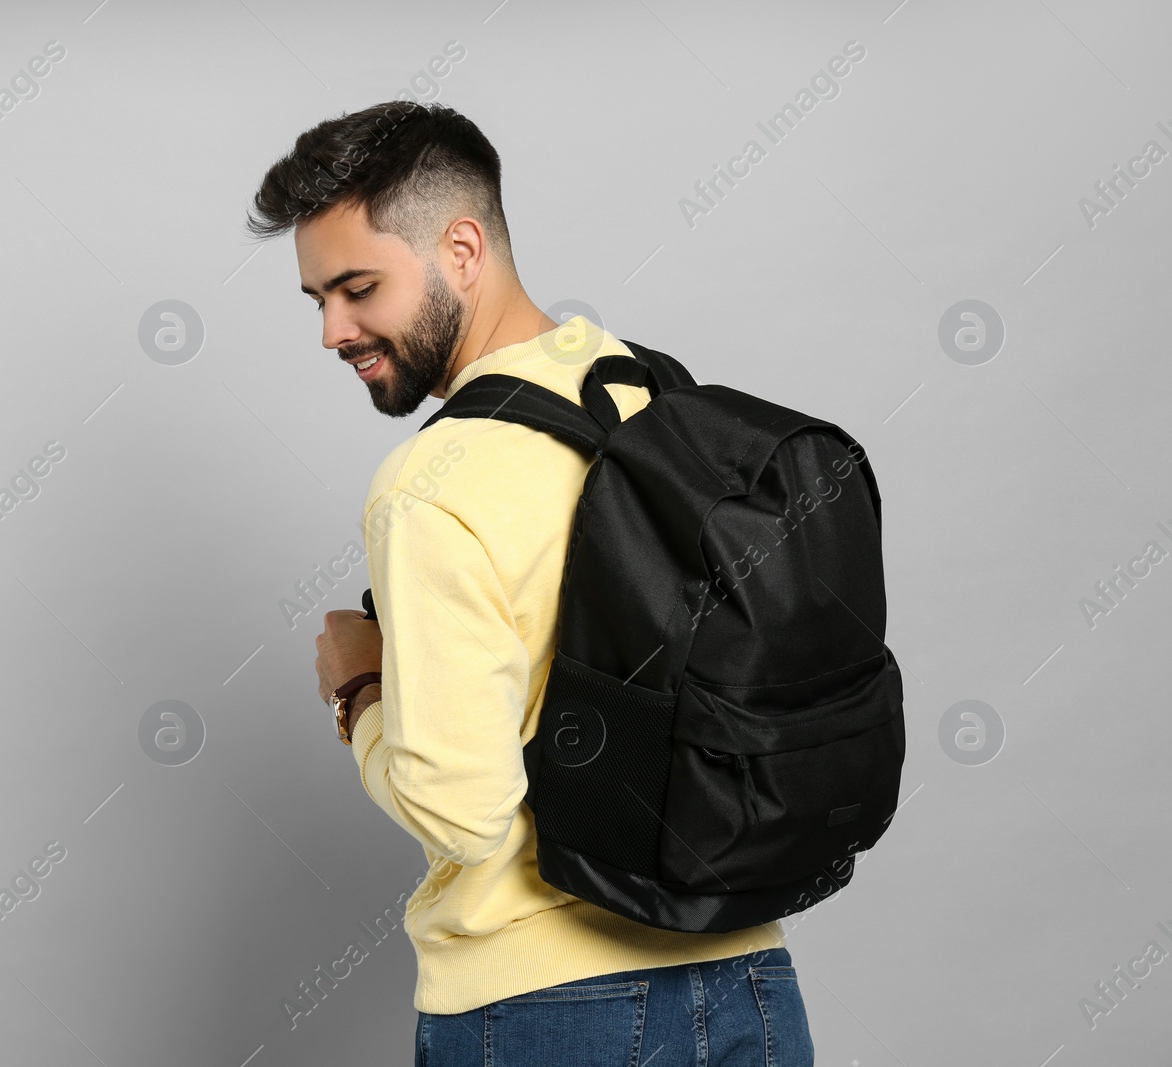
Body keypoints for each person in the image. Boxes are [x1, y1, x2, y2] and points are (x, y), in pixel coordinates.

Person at [246, 100, 816, 1066]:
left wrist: (360, 691)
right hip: (746, 974)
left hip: (549, 1006)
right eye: (317, 299)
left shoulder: (432, 485)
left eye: (357, 288)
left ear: (461, 247)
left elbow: (463, 814)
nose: (334, 330)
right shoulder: (647, 388)